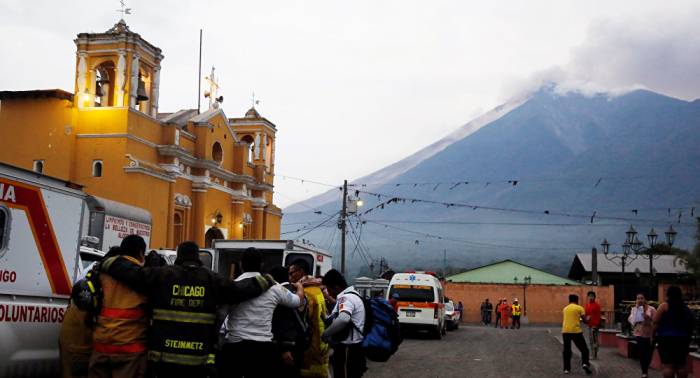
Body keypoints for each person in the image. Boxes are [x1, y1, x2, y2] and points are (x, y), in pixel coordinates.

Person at [100, 241, 273, 378]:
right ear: (197, 257)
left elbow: (133, 274)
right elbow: (239, 290)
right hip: (197, 361)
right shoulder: (211, 279)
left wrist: (108, 263)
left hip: (163, 359)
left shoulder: (162, 275)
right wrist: (267, 280)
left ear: (179, 257)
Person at [220, 248, 305, 378]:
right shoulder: (274, 287)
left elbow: (221, 316)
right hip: (263, 350)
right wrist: (299, 287)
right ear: (261, 265)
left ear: (241, 264)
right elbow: (297, 301)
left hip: (235, 349)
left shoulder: (232, 287)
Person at [88, 235, 148, 378]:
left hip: (101, 346)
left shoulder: (102, 273)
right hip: (129, 350)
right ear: (140, 253)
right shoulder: (143, 277)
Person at [288, 259, 330, 378]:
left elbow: (301, 321)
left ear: (301, 272)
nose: (289, 277)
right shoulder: (317, 290)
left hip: (311, 346)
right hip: (321, 343)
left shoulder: (306, 293)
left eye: (291, 273)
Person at [321, 269, 366, 378]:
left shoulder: (346, 298)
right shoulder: (354, 294)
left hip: (348, 349)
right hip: (355, 348)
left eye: (328, 288)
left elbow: (343, 319)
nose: (328, 292)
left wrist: (326, 334)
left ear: (336, 287)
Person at [270, 266, 305, 378]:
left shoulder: (278, 294)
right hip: (299, 342)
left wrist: (284, 349)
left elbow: (282, 322)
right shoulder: (300, 291)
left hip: (286, 345)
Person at [653, 286, 695, 378]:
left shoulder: (664, 306)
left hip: (666, 339)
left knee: (668, 366)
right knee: (681, 365)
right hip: (682, 339)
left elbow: (655, 322)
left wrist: (653, 335)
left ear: (668, 295)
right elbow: (691, 323)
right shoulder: (686, 308)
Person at [561, 294, 592, 375]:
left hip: (565, 331)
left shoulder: (565, 308)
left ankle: (566, 369)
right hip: (576, 331)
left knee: (567, 350)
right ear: (577, 300)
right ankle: (585, 363)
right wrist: (588, 318)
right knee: (584, 349)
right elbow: (585, 320)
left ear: (569, 300)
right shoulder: (579, 308)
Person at [628, 293, 656, 378]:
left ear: (645, 299)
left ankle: (646, 367)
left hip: (650, 334)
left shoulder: (651, 309)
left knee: (649, 354)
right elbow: (630, 319)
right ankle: (644, 372)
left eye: (641, 298)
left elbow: (656, 321)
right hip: (639, 334)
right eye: (638, 298)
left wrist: (648, 318)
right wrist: (634, 319)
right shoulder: (634, 309)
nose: (640, 300)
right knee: (642, 353)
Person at [584, 291, 602, 360]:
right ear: (588, 297)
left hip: (595, 326)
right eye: (589, 296)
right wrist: (586, 319)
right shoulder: (587, 305)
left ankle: (594, 354)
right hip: (589, 325)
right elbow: (586, 314)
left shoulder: (597, 305)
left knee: (594, 340)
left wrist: (596, 325)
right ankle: (593, 354)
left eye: (592, 296)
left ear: (594, 297)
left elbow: (598, 316)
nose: (591, 297)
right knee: (591, 340)